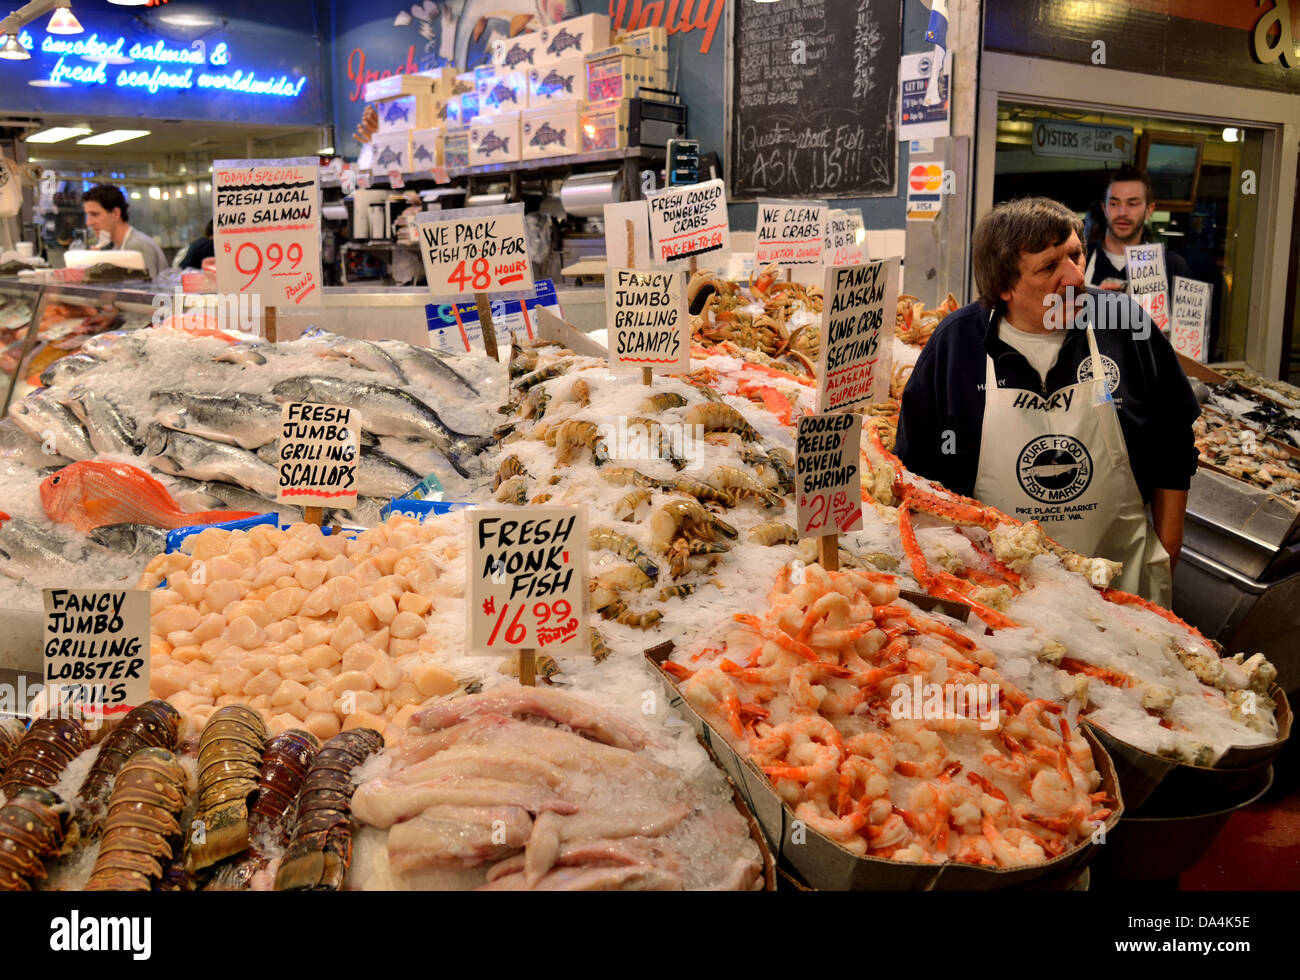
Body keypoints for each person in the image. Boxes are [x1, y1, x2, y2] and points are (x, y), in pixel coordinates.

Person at [895, 197, 1200, 606]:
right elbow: (916, 475)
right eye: (1049, 267)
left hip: (1120, 589)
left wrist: (1168, 552)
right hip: (996, 595)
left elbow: (1173, 447)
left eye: (1076, 255)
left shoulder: (1123, 326)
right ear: (1004, 286)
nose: (1074, 277)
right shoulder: (957, 343)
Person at [1085, 164, 1190, 294]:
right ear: (1104, 209)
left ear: (1149, 210)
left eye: (1132, 204)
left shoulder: (1171, 266)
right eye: (1114, 203)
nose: (1122, 212)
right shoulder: (1080, 259)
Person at [82, 184, 167, 278]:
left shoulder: (138, 246)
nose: (88, 223)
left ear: (116, 213)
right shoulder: (117, 249)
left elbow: (146, 290)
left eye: (94, 215)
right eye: (88, 216)